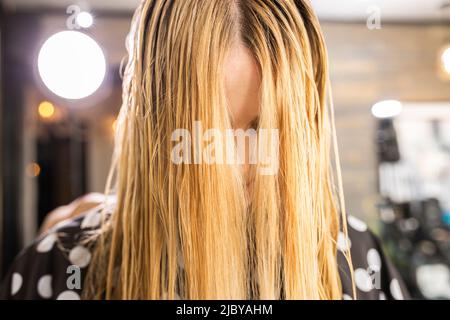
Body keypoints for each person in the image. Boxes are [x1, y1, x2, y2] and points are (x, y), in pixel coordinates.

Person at [1, 0, 409, 300]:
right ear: (151, 124)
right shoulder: (59, 266)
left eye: (263, 129)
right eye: (205, 130)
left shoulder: (356, 258)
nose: (232, 164)